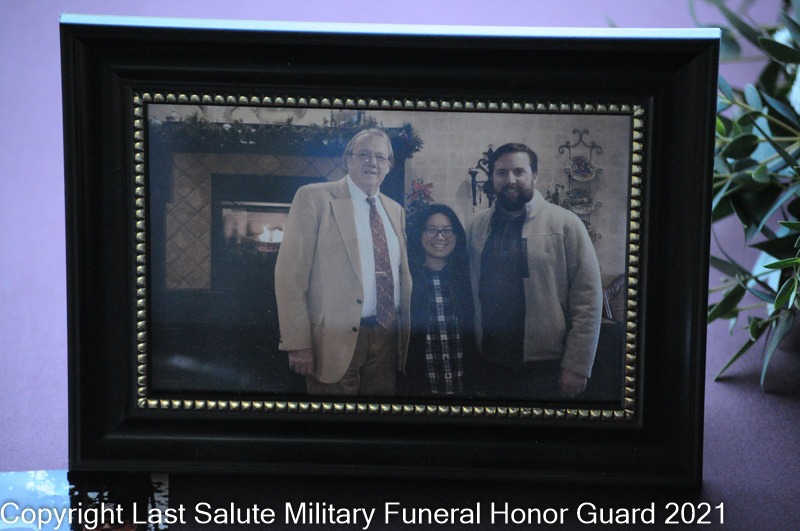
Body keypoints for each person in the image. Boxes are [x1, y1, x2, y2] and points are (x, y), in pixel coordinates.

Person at [274, 128, 412, 396]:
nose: (372, 162)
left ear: (389, 165)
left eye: (380, 157)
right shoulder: (314, 198)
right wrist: (297, 342)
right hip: (332, 341)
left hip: (386, 336)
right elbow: (290, 276)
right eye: (364, 154)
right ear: (348, 159)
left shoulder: (395, 210)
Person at [467, 142, 602, 400]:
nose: (510, 180)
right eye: (502, 172)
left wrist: (577, 365)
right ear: (493, 177)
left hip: (546, 366)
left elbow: (588, 299)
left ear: (535, 176)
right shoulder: (477, 225)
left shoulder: (565, 223)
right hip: (489, 361)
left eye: (519, 172)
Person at [402, 204, 477, 396]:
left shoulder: (467, 277)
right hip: (421, 385)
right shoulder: (406, 279)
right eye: (431, 229)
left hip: (464, 382)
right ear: (419, 234)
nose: (440, 237)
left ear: (457, 235)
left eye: (447, 230)